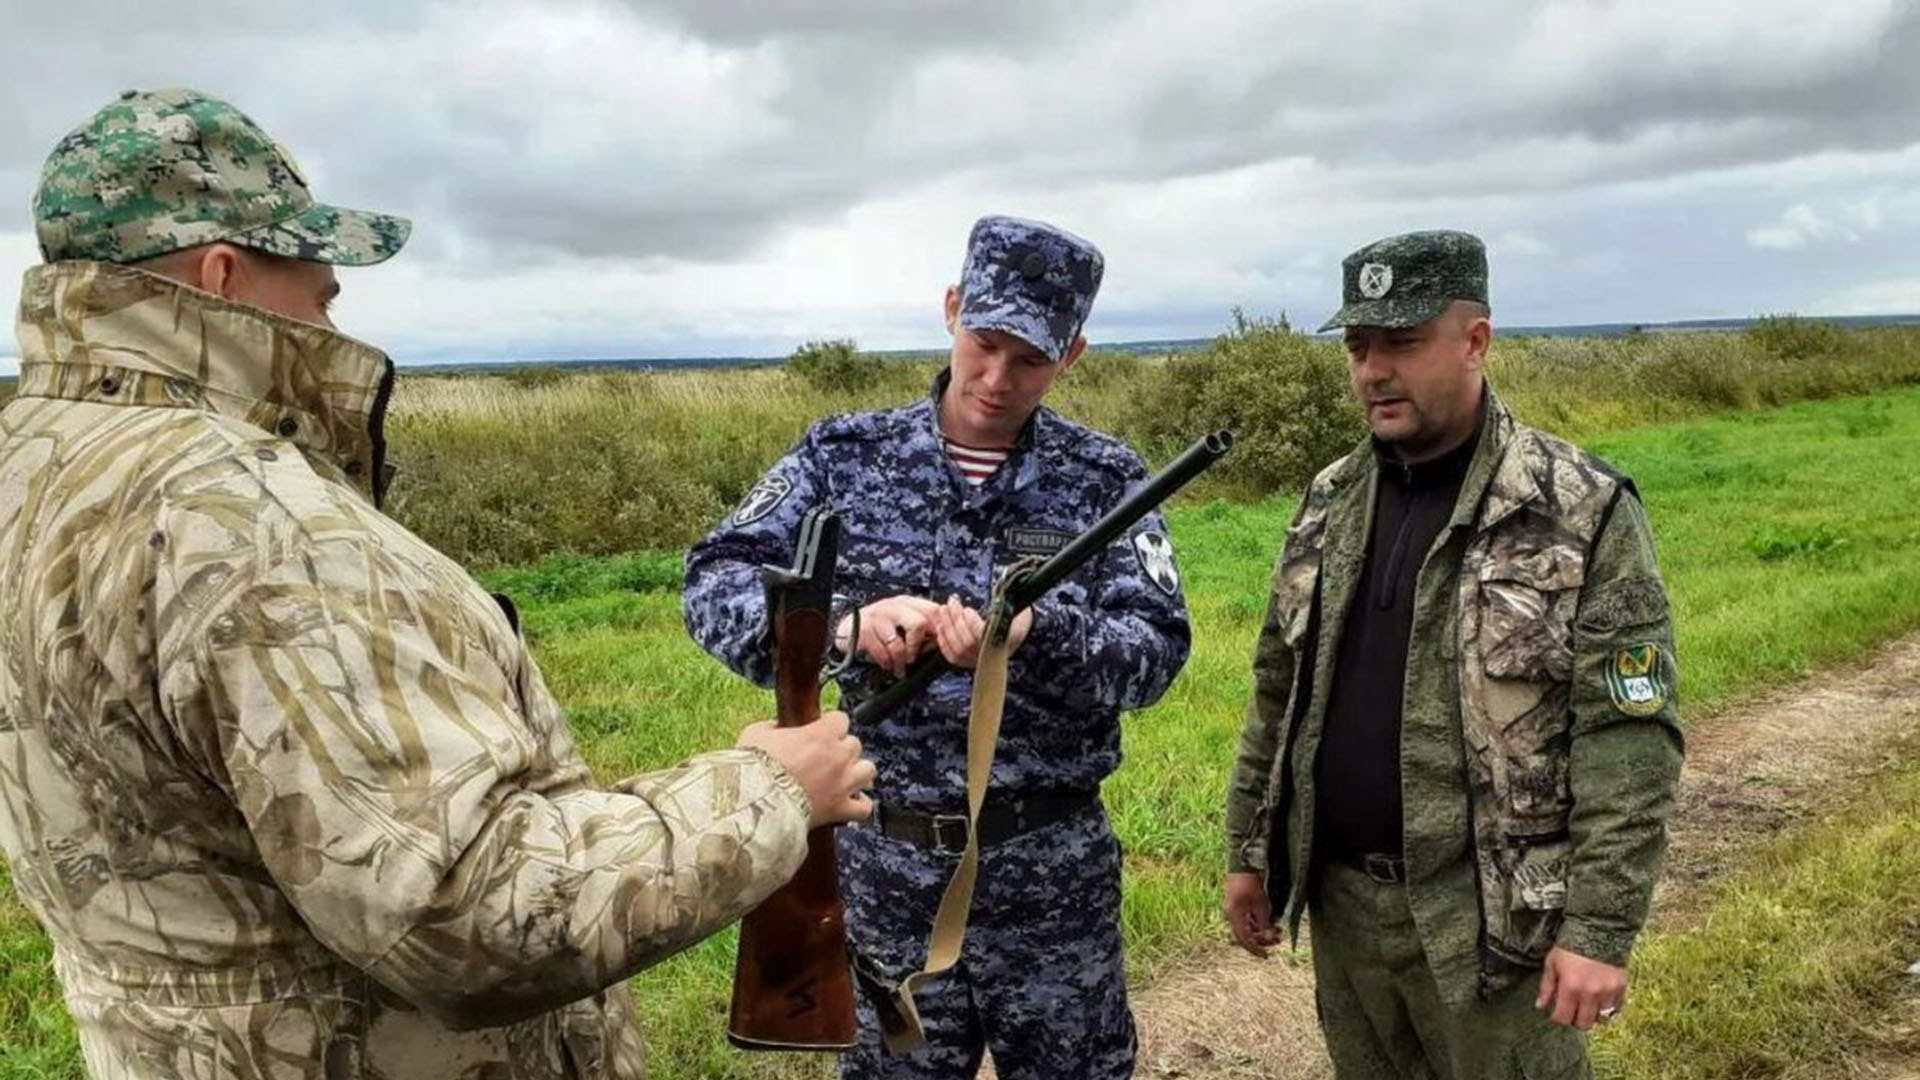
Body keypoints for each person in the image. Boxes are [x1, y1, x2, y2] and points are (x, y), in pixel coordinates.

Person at [0, 87, 873, 1080]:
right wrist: (763, 793)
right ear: (224, 275)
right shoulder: (258, 524)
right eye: (320, 290)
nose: (332, 313)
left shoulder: (31, 467)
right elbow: (469, 913)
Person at [684, 215, 1191, 1079]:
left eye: (1030, 359)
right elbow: (712, 582)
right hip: (889, 874)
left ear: (1072, 356)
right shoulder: (841, 457)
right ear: (953, 309)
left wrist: (1032, 635)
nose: (997, 378)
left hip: (1053, 880)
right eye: (984, 342)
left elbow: (1155, 652)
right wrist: (846, 626)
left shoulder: (1107, 478)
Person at [1220, 230, 1684, 1078]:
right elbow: (1276, 691)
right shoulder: (1330, 501)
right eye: (1359, 347)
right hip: (1348, 910)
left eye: (1401, 343)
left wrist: (1600, 930)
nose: (1372, 371)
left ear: (1475, 341)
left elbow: (1632, 738)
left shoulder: (1579, 509)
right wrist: (1249, 852)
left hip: (1496, 928)